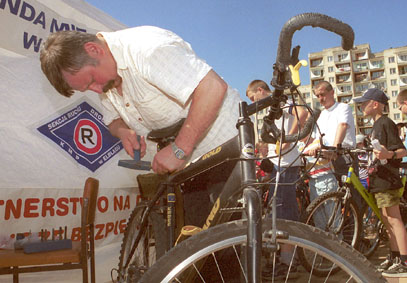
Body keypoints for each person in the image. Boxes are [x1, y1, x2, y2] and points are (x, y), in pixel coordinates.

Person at [39, 27, 241, 227]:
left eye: (92, 80)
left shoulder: (148, 49)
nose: (97, 89)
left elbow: (212, 87)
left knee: (233, 243)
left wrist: (180, 149)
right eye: (88, 88)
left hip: (226, 152)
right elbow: (112, 120)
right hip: (186, 170)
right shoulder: (106, 77)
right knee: (194, 243)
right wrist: (123, 131)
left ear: (94, 49)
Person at [246, 80, 309, 279]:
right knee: (278, 213)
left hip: (287, 165)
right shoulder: (274, 109)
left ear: (260, 90)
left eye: (252, 98)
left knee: (284, 214)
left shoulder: (283, 102)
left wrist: (288, 138)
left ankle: (288, 262)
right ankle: (285, 259)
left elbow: (304, 113)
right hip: (278, 166)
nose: (254, 102)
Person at [354, 88, 407, 278]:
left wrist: (388, 154)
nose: (361, 106)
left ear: (375, 104)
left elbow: (401, 151)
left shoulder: (385, 123)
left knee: (394, 218)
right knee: (387, 220)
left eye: (364, 103)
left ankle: (406, 262)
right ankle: (395, 256)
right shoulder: (376, 126)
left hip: (387, 179)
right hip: (379, 179)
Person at [305, 81, 357, 204]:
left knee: (351, 196)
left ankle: (358, 221)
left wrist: (334, 149)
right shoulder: (321, 115)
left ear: (332, 92)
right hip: (326, 159)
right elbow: (316, 139)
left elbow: (342, 126)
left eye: (322, 94)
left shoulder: (343, 107)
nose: (320, 99)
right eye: (317, 96)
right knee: (332, 198)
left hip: (343, 156)